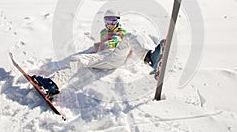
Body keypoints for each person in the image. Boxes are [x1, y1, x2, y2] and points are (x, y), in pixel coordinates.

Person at [33, 9, 165, 96]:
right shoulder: (103, 33)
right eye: (108, 21)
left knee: (130, 36)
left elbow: (130, 47)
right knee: (77, 59)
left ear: (118, 22)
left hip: (117, 54)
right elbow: (99, 48)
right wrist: (96, 49)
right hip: (105, 57)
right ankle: (54, 84)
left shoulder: (122, 33)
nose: (110, 25)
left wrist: (128, 53)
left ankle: (150, 58)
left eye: (113, 21)